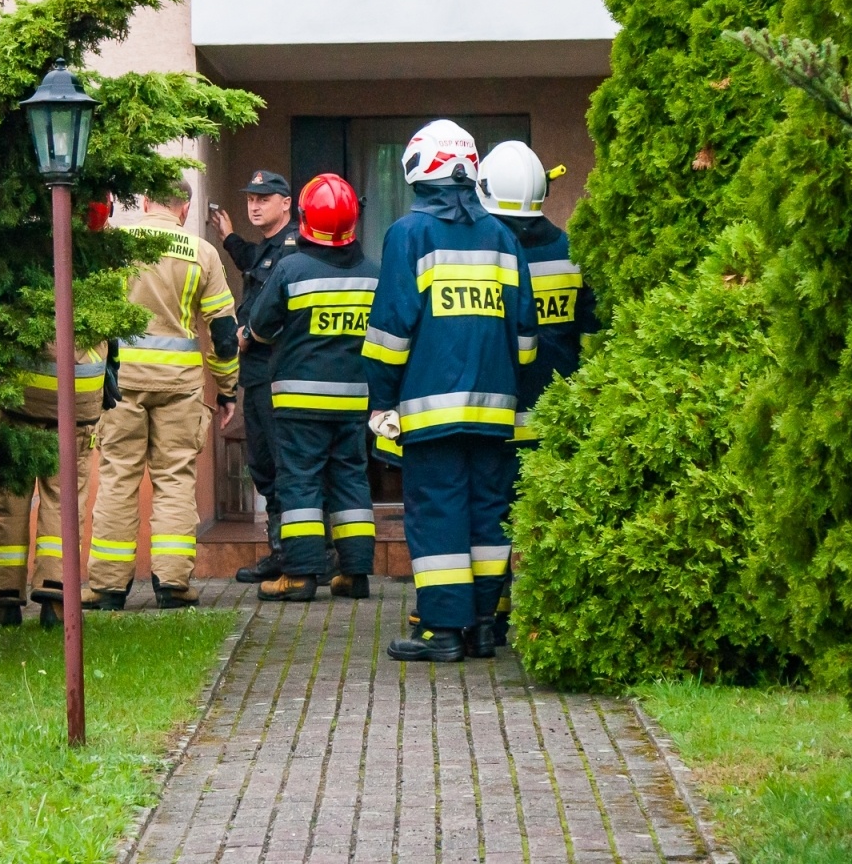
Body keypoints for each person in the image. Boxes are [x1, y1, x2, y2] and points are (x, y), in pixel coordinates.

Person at [363, 120, 537, 662]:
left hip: (429, 413)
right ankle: (485, 625)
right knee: (489, 514)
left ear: (419, 169)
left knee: (438, 514)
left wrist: (382, 401)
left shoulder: (408, 235)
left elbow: (391, 332)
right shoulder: (503, 237)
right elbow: (526, 335)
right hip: (497, 412)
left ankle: (442, 632)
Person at [84, 180, 239, 610]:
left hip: (120, 385)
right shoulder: (203, 254)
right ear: (185, 208)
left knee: (118, 477)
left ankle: (107, 587)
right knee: (175, 480)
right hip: (180, 389)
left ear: (146, 202)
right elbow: (224, 333)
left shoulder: (115, 246)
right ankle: (173, 583)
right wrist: (227, 390)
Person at [476, 140, 599, 643]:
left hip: (499, 409)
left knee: (491, 510)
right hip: (557, 409)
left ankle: (490, 610)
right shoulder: (572, 251)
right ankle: (547, 610)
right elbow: (591, 328)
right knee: (548, 513)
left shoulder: (486, 253)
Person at [242, 174, 380, 602]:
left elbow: (261, 329)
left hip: (299, 403)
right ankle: (354, 574)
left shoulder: (291, 268)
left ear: (304, 217)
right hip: (354, 399)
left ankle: (300, 576)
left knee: (299, 483)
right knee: (351, 483)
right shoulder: (373, 273)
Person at [0, 342, 108, 627]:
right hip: (80, 393)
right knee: (64, 502)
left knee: (7, 500)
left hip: (21, 394)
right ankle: (56, 602)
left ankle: (5, 601)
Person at [209, 171, 298, 584]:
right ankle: (281, 551)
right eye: (250, 199)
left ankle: (293, 555)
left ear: (286, 202)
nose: (255, 205)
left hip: (278, 373)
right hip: (258, 375)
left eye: (264, 198)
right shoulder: (268, 250)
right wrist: (228, 236)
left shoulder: (293, 247)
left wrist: (249, 334)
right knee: (263, 464)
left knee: (281, 466)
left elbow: (281, 304)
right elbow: (254, 263)